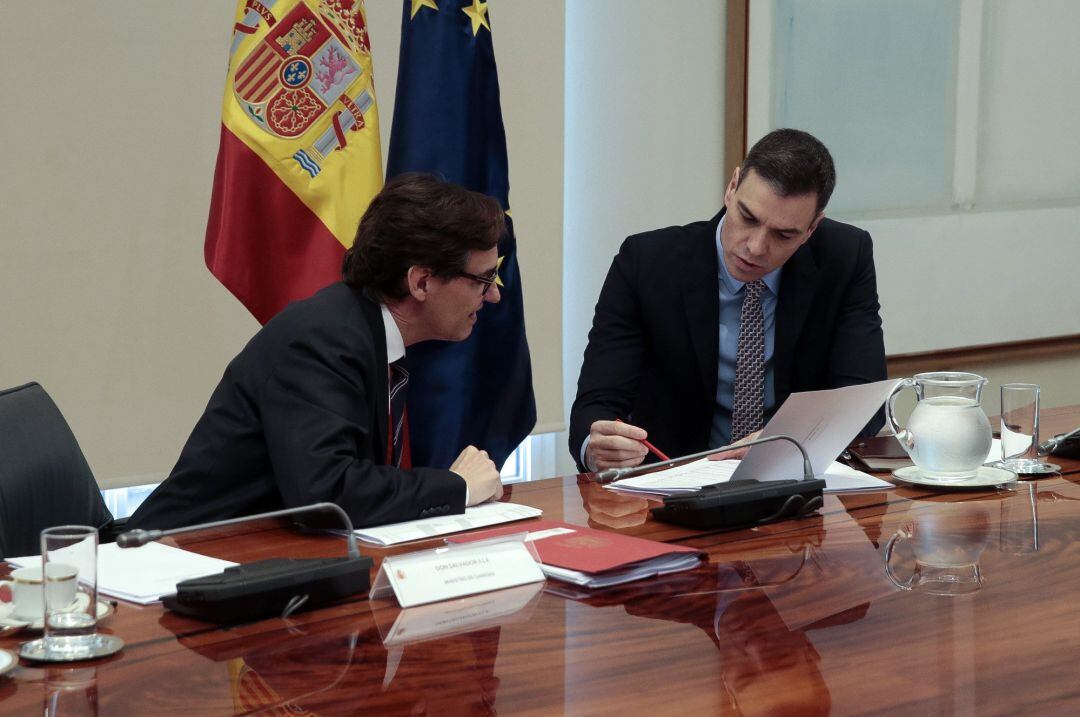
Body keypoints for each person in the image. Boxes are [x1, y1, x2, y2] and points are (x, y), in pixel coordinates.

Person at [128, 174, 506, 530]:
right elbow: (327, 493)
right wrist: (457, 487)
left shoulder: (370, 335)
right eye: (483, 279)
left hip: (267, 554)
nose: (493, 295)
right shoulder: (322, 339)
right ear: (421, 282)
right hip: (179, 556)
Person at [570, 129, 886, 472]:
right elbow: (596, 405)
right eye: (748, 218)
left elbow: (863, 401)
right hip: (671, 482)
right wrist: (597, 448)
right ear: (732, 187)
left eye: (783, 235)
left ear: (811, 229)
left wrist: (781, 443)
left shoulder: (844, 257)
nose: (756, 247)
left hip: (791, 479)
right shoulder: (647, 264)